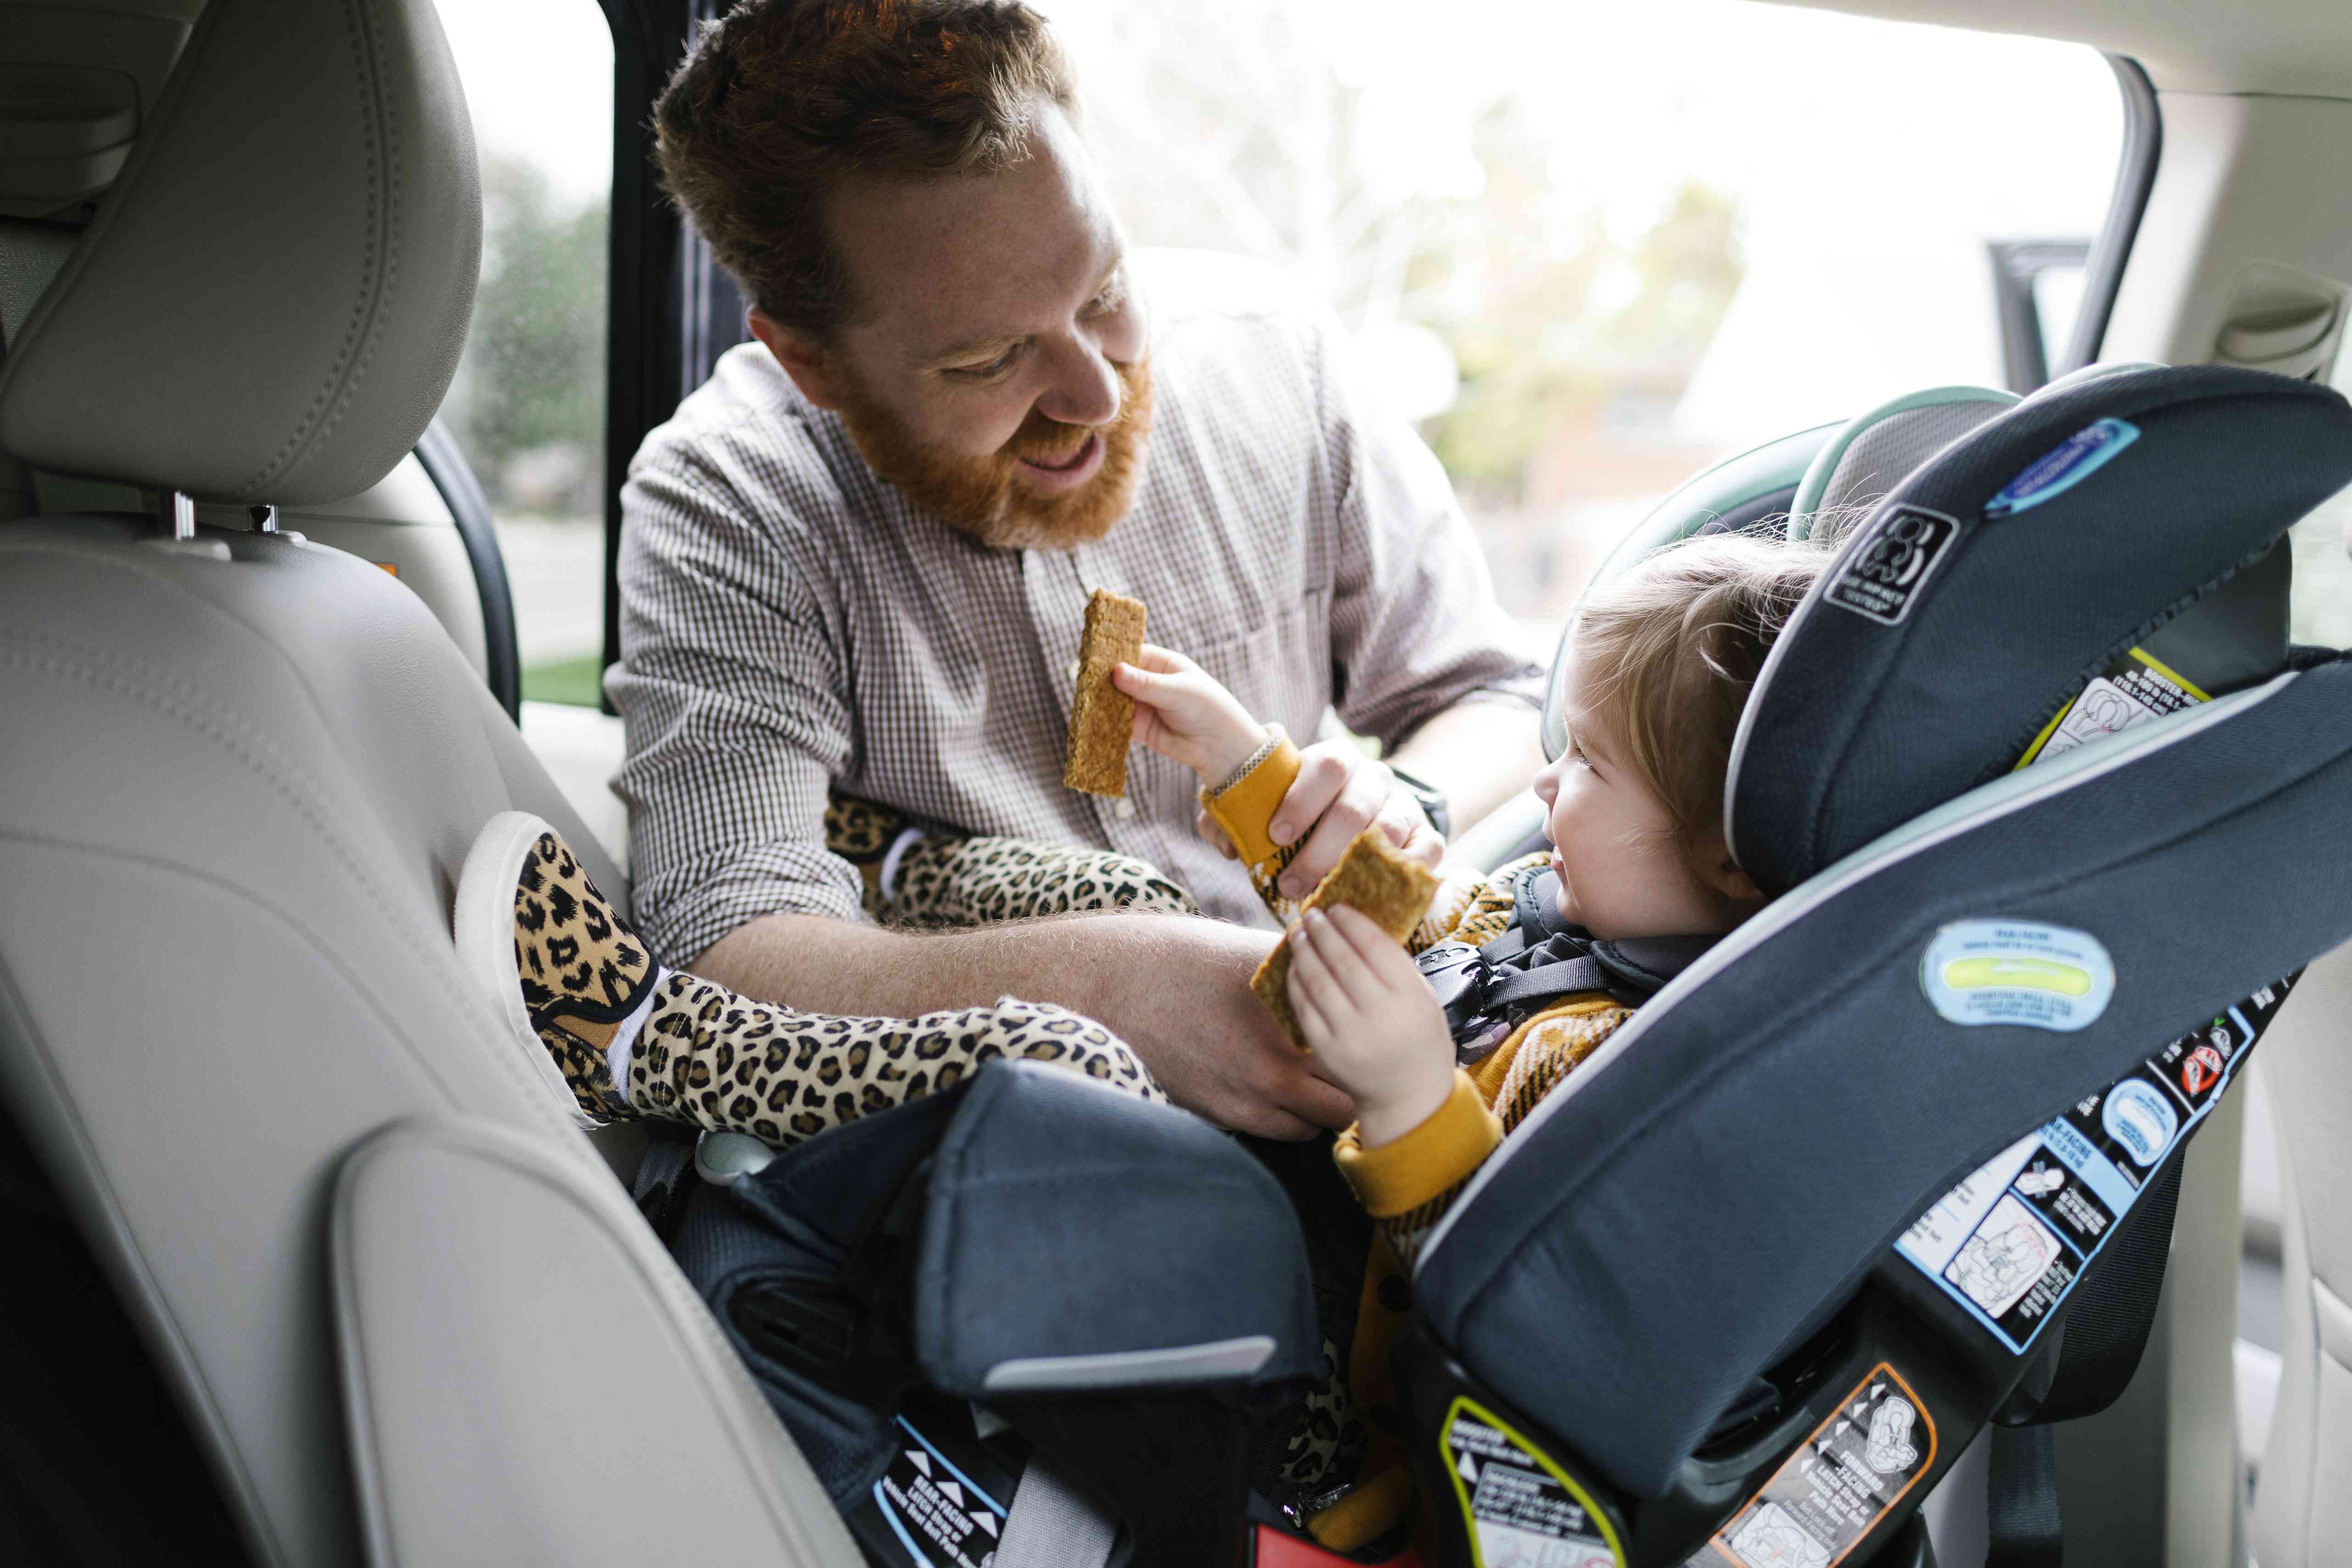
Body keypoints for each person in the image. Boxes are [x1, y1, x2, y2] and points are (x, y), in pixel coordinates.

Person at [454, 529, 1825, 1544]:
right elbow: (1404, 909)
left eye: (1588, 765)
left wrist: (1413, 1095)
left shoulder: (1629, 1076)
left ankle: (642, 1041)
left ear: (1731, 862)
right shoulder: (1559, 919)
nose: (1542, 781)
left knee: (1076, 1059)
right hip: (1285, 1209)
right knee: (1130, 900)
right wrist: (1248, 766)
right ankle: (890, 869)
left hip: (1323, 1421)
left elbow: (1522, 1335)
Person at [613, 0, 1545, 1141]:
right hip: (1025, 1151)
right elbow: (726, 934)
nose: (1096, 397)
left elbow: (1494, 695)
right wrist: (1110, 990)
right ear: (811, 363)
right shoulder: (730, 497)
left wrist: (1404, 801)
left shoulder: (1279, 359)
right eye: (989, 358)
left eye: (1102, 289)